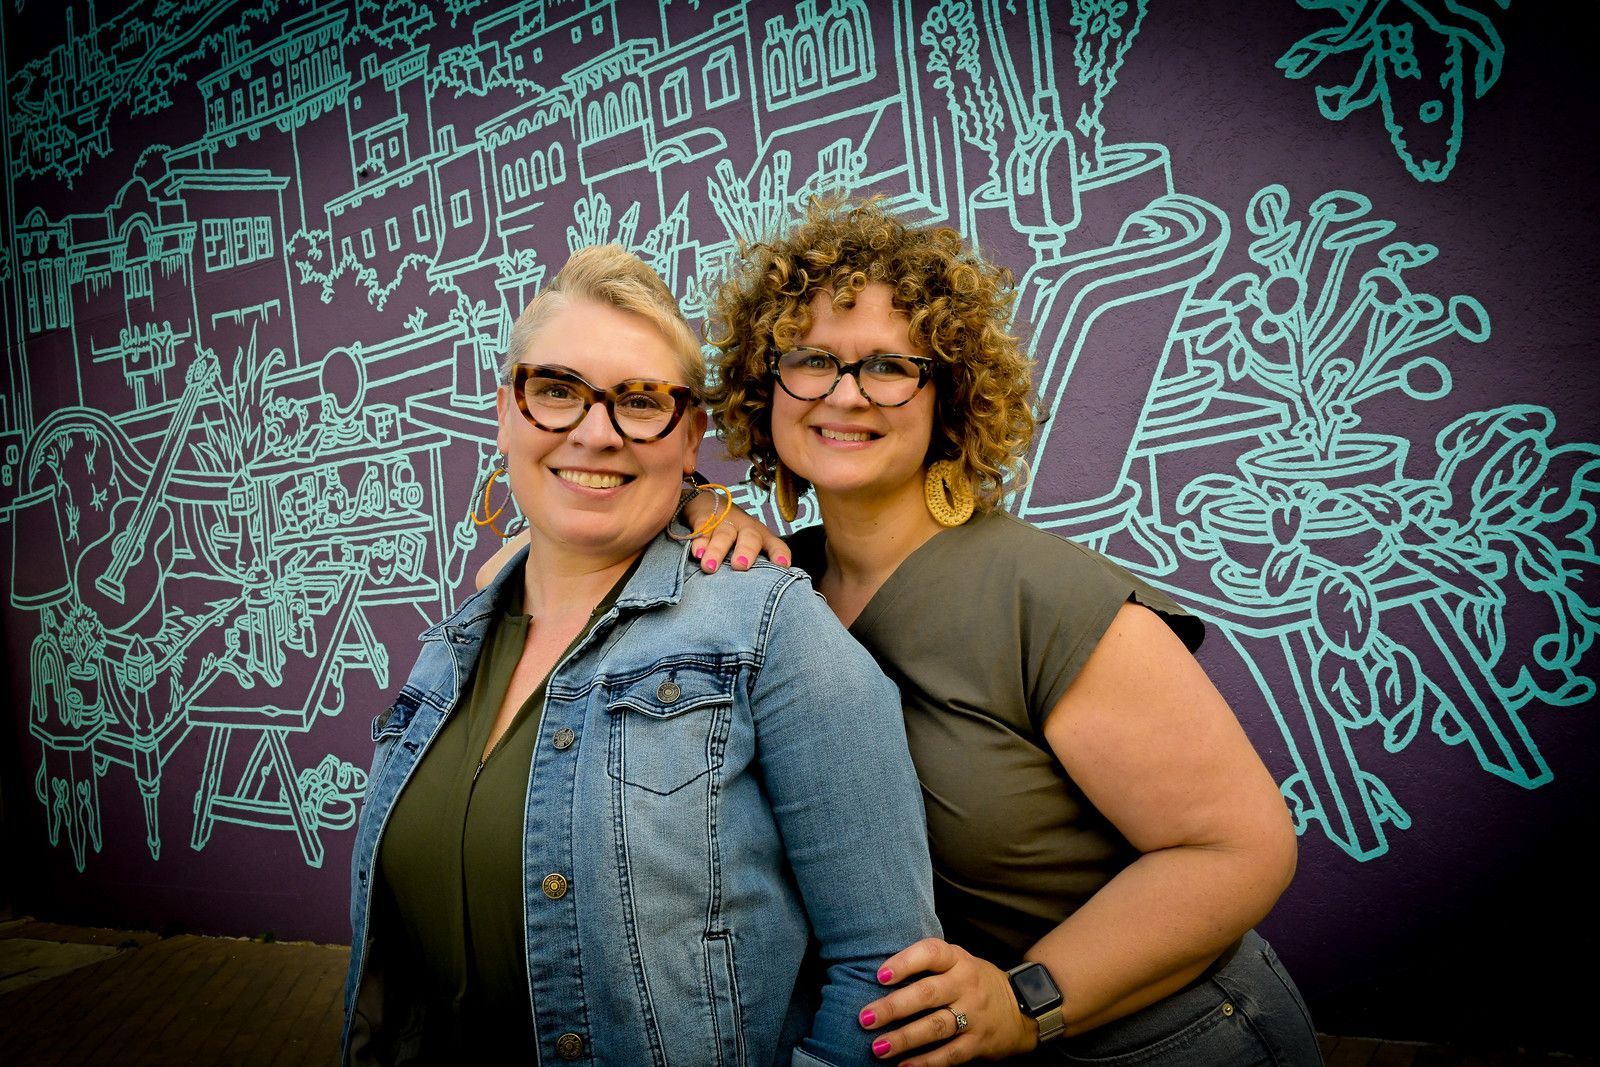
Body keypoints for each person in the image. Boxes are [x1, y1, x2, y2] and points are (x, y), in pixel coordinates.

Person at [699, 200, 1322, 1066]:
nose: (845, 393)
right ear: (765, 385)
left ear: (947, 393)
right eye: (812, 360)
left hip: (1167, 1037)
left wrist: (1028, 1001)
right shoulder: (775, 585)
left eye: (888, 365)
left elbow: (1240, 848)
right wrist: (692, 505)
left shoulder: (1042, 592)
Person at [343, 243, 941, 1066]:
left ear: (689, 433)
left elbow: (888, 977)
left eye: (640, 401)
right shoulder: (450, 651)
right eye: (557, 390)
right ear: (506, 410)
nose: (596, 432)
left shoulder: (768, 628)